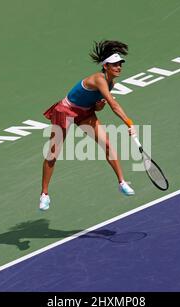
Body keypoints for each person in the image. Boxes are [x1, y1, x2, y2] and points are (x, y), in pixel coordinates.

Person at [40, 40, 136, 210]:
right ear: (105, 66)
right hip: (65, 111)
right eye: (114, 64)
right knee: (53, 153)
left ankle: (122, 182)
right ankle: (44, 194)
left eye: (120, 64)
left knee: (107, 144)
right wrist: (129, 122)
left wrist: (97, 106)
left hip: (85, 113)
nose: (119, 67)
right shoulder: (100, 79)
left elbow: (96, 102)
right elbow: (114, 105)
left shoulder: (111, 83)